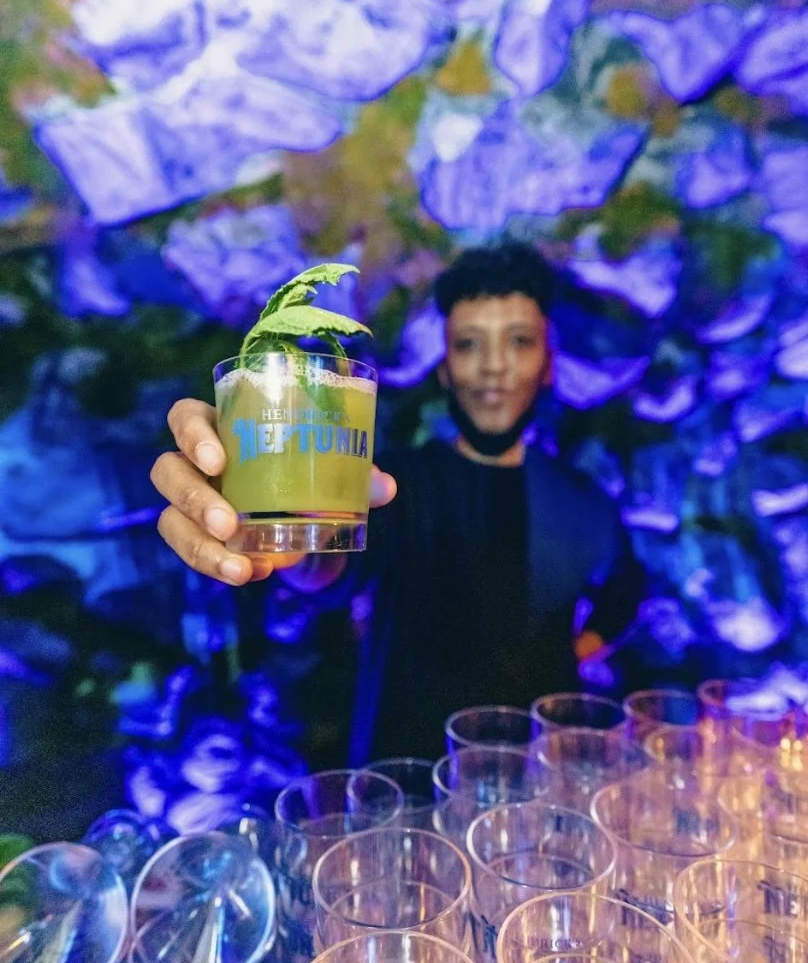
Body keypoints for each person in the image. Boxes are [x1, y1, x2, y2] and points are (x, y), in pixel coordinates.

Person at [151, 242, 643, 760]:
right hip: (402, 793)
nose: (494, 366)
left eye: (519, 341)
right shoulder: (400, 480)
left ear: (548, 364)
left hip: (542, 785)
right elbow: (332, 564)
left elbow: (626, 588)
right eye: (470, 345)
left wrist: (576, 654)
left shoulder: (583, 499)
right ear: (445, 369)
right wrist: (290, 536)